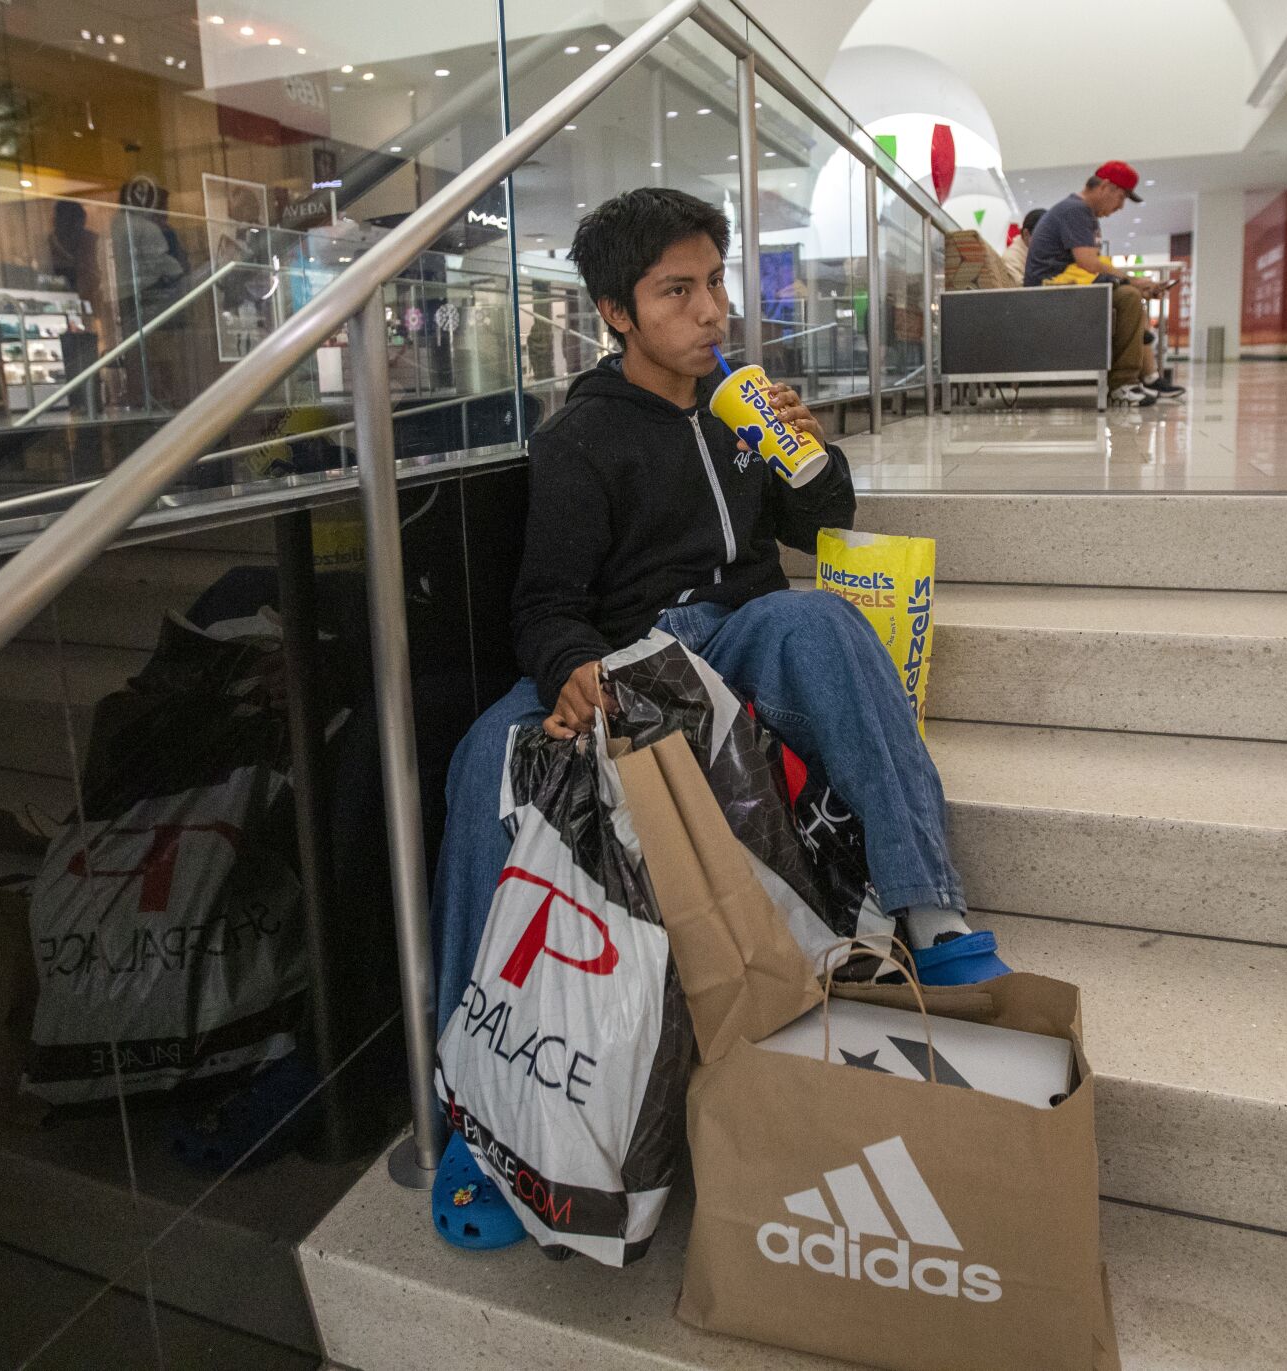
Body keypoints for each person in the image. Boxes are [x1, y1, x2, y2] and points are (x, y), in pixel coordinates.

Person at [434, 187, 1003, 1018]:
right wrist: (571, 666)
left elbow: (819, 529)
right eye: (678, 291)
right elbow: (546, 604)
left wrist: (809, 453)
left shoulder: (738, 406)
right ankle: (471, 1041)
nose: (711, 312)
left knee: (818, 618)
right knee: (486, 751)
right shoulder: (578, 440)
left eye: (716, 283)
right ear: (615, 312)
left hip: (742, 632)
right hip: (633, 650)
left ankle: (933, 913)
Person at [1023, 160, 1177, 407]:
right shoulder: (1076, 210)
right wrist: (1134, 281)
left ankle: (1143, 377)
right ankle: (1123, 385)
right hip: (1049, 296)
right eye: (1121, 197)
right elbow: (1088, 262)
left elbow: (1088, 265)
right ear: (1105, 186)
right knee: (1128, 297)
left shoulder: (1081, 212)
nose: (1120, 207)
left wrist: (1133, 282)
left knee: (1129, 294)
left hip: (1065, 290)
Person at [1000, 208, 1046, 285]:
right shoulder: (1011, 258)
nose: (1047, 241)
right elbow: (1022, 290)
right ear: (1026, 234)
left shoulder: (1039, 251)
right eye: (1042, 237)